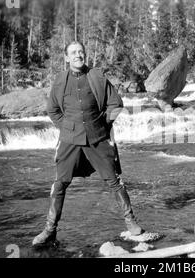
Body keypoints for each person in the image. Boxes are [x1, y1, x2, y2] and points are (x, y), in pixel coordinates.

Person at [32, 41, 143, 247]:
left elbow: (116, 104)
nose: (78, 55)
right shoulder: (60, 80)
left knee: (114, 180)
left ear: (85, 55)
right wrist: (66, 128)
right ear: (66, 58)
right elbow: (52, 110)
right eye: (73, 52)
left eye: (81, 52)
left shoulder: (97, 77)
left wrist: (103, 123)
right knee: (60, 184)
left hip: (97, 138)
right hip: (69, 140)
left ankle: (131, 221)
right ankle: (49, 229)